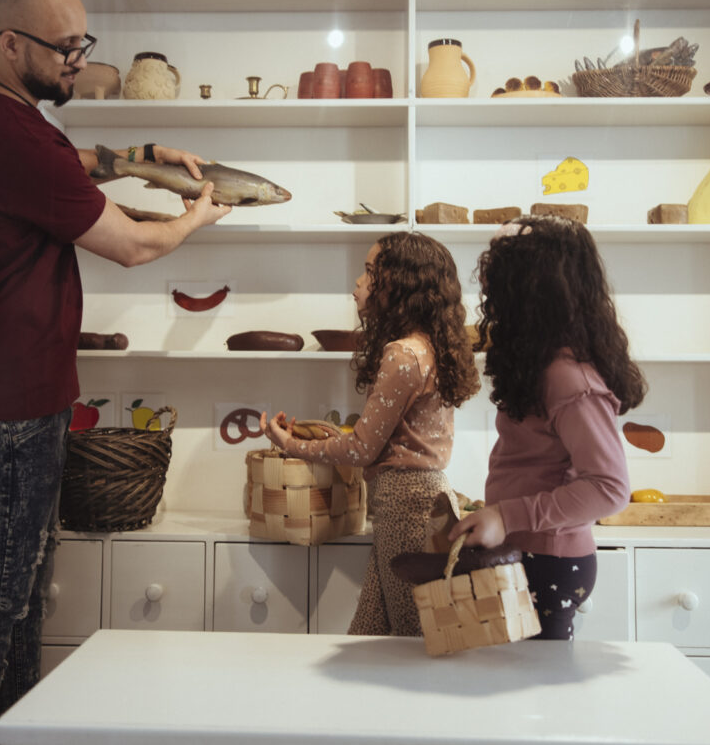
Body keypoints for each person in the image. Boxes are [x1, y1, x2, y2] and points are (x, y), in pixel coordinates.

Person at [0, 0, 230, 745]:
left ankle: (11, 732)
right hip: (10, 404)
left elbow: (76, 173)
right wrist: (196, 218)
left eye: (82, 43)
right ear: (8, 42)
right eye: (64, 48)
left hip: (14, 393)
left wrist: (137, 153)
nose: (78, 60)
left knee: (19, 593)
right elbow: (130, 244)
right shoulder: (12, 136)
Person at [261, 232, 480, 636]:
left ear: (398, 282)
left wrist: (290, 444)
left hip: (404, 504)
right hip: (422, 498)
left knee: (411, 643)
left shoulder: (403, 354)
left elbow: (362, 447)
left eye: (368, 272)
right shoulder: (430, 347)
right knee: (371, 637)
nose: (358, 285)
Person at [449, 215, 647, 640]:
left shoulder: (568, 377)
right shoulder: (546, 367)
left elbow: (610, 488)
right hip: (532, 552)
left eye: (498, 285)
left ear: (530, 294)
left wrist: (506, 514)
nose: (487, 296)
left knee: (540, 694)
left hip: (549, 560)